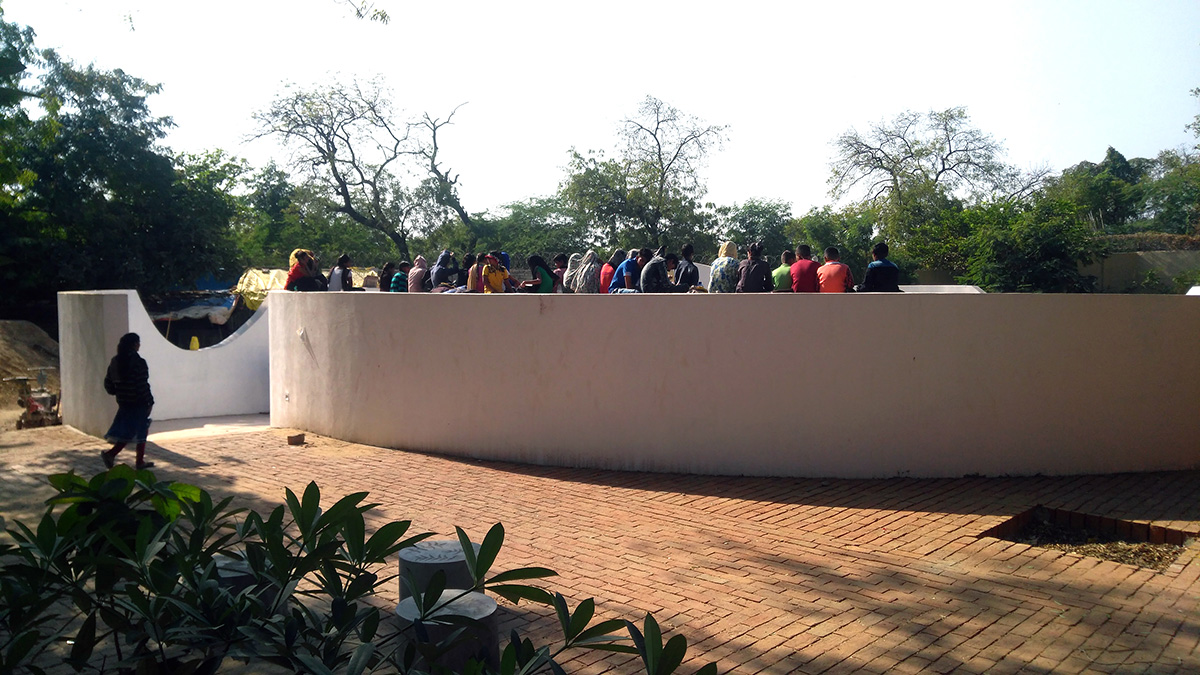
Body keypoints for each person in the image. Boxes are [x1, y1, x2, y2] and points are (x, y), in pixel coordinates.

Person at [100, 333, 155, 470]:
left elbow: (108, 384)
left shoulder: (115, 362)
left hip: (124, 402)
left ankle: (128, 458)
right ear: (135, 344)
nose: (139, 345)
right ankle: (117, 456)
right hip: (139, 402)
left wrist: (119, 392)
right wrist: (149, 401)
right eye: (138, 342)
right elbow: (142, 384)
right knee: (138, 430)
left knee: (130, 431)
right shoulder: (139, 362)